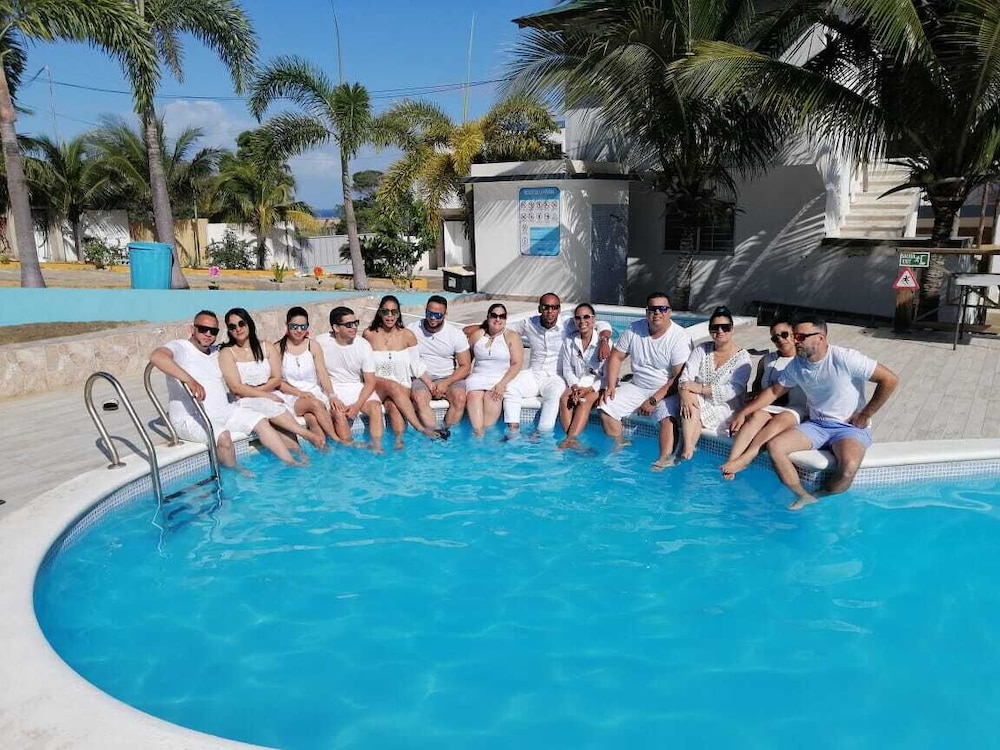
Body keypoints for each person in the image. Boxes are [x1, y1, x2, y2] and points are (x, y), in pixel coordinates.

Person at [727, 316, 899, 510]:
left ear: (820, 337)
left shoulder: (845, 358)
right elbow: (774, 391)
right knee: (775, 447)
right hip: (817, 425)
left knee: (848, 467)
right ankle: (803, 496)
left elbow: (890, 379)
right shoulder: (797, 365)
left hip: (848, 427)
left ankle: (822, 495)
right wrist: (744, 412)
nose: (795, 341)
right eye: (795, 336)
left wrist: (866, 414)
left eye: (800, 337)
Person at [149, 310, 297, 469]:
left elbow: (241, 353)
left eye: (213, 331)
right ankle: (235, 476)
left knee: (261, 421)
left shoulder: (215, 352)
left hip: (224, 411)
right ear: (192, 329)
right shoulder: (181, 347)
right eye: (203, 329)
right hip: (191, 418)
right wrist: (189, 380)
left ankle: (293, 463)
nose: (208, 334)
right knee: (224, 437)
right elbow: (157, 357)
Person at [463, 292, 611, 438]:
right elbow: (502, 325)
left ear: (559, 310)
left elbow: (601, 324)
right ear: (540, 309)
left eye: (554, 307)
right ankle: (513, 430)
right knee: (510, 387)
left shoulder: (568, 324)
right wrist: (481, 326)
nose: (550, 311)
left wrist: (604, 340)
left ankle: (542, 433)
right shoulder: (529, 324)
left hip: (556, 376)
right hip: (533, 374)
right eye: (546, 307)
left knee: (554, 394)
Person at [599, 292, 694, 470]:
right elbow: (616, 356)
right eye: (653, 309)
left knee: (667, 418)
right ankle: (620, 443)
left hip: (667, 390)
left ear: (669, 312)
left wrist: (653, 400)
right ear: (646, 311)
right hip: (638, 386)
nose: (657, 312)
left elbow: (678, 378)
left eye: (662, 309)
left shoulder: (679, 337)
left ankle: (663, 459)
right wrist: (610, 386)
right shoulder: (634, 328)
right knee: (606, 406)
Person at [218, 308, 326, 464]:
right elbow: (236, 387)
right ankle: (306, 436)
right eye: (232, 326)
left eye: (241, 323)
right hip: (246, 400)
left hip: (271, 394)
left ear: (249, 324)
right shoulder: (227, 353)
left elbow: (276, 378)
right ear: (229, 330)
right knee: (269, 405)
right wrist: (265, 394)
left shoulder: (266, 347)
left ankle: (300, 457)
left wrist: (260, 392)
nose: (238, 329)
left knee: (277, 411)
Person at [720, 319, 807, 479]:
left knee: (778, 420)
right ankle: (731, 462)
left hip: (795, 408)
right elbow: (758, 388)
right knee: (756, 417)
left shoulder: (804, 361)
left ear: (794, 335)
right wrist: (746, 404)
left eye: (784, 334)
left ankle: (746, 459)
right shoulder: (767, 360)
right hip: (769, 407)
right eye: (775, 338)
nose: (780, 339)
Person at [363, 294, 446, 448]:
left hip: (402, 386)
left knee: (393, 406)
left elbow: (416, 365)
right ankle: (420, 428)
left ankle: (399, 444)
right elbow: (364, 364)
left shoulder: (407, 335)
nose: (390, 316)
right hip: (377, 387)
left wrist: (430, 385)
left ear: (399, 313)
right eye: (385, 311)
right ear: (380, 312)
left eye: (394, 312)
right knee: (391, 385)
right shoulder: (369, 334)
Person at [677, 306, 752, 461]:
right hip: (697, 401)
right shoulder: (701, 350)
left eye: (725, 327)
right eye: (715, 327)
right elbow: (685, 377)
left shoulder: (742, 358)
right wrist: (685, 395)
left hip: (725, 406)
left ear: (732, 329)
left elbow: (732, 390)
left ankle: (684, 451)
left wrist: (699, 388)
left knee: (695, 403)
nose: (720, 331)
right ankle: (688, 449)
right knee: (692, 401)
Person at [314, 306, 386, 451]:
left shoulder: (363, 345)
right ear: (336, 327)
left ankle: (377, 448)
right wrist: (332, 396)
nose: (354, 327)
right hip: (333, 389)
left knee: (376, 408)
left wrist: (357, 406)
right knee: (338, 413)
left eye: (355, 323)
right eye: (349, 325)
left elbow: (370, 381)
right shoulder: (320, 342)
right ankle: (350, 449)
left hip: (356, 387)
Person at [275, 306, 345, 446]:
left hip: (314, 392)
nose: (299, 330)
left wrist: (332, 395)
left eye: (303, 326)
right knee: (314, 404)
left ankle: (324, 450)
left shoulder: (313, 346)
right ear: (287, 325)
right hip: (292, 396)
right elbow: (277, 382)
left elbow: (322, 373)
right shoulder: (277, 349)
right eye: (294, 326)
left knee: (312, 418)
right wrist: (300, 393)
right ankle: (337, 439)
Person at [407, 295, 472, 436]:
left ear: (445, 314)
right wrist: (428, 382)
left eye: (437, 315)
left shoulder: (455, 334)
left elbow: (465, 366)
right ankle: (435, 433)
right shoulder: (412, 330)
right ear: (425, 311)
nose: (432, 318)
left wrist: (446, 383)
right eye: (429, 313)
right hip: (422, 376)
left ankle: (447, 431)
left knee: (460, 398)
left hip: (448, 377)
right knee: (419, 398)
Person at [465, 303, 524, 438]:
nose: (498, 319)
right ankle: (478, 436)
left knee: (492, 400)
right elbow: (467, 362)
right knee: (473, 396)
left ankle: (487, 439)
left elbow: (517, 363)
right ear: (488, 317)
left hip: (499, 380)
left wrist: (502, 384)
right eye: (494, 316)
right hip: (477, 378)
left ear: (505, 319)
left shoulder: (511, 336)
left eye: (502, 316)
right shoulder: (477, 335)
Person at [557, 303, 605, 450]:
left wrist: (589, 389)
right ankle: (572, 441)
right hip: (578, 383)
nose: (582, 321)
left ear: (593, 319)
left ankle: (569, 439)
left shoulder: (604, 343)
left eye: (586, 317)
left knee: (583, 402)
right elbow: (567, 369)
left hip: (597, 385)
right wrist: (575, 387)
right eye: (578, 318)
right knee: (564, 398)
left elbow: (607, 376)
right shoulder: (570, 341)